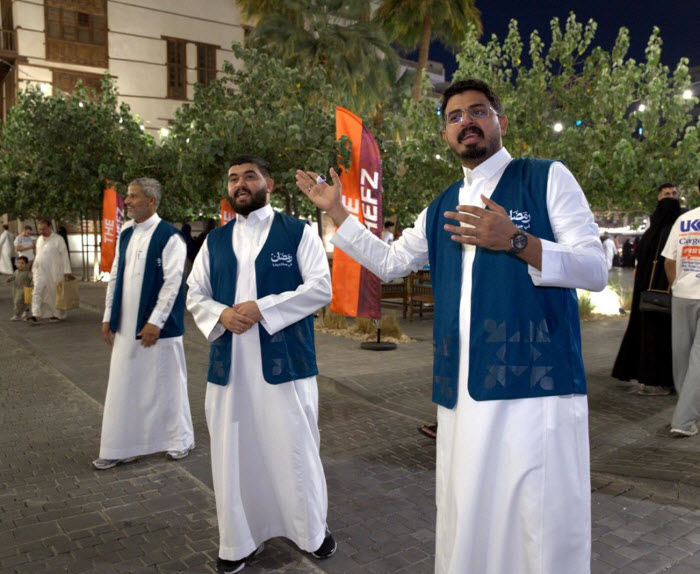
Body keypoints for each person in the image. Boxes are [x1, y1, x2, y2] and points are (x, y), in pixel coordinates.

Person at [296, 78, 607, 574]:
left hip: (536, 386)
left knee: (539, 520)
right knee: (469, 515)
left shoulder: (545, 177)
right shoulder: (442, 204)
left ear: (501, 121)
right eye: (455, 117)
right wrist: (336, 210)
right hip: (462, 390)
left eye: (478, 111)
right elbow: (390, 262)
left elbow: (594, 269)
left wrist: (517, 240)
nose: (467, 122)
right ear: (445, 135)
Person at [187, 156, 335, 574]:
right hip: (230, 369)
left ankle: (311, 532)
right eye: (233, 178)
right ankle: (238, 541)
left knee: (296, 448)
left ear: (268, 184)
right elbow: (194, 292)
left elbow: (320, 288)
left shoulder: (298, 232)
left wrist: (263, 308)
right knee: (234, 454)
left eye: (249, 176)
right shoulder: (214, 241)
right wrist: (220, 313)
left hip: (286, 365)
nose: (240, 184)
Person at [93, 178, 195, 470]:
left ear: (151, 200)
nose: (127, 201)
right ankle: (122, 446)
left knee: (168, 383)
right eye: (127, 196)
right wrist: (108, 315)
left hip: (160, 329)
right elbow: (115, 275)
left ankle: (180, 440)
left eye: (134, 196)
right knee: (124, 385)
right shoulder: (126, 232)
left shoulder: (170, 237)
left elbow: (174, 283)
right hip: (126, 327)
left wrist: (155, 322)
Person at [612, 194, 681, 395]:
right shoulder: (671, 232)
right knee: (662, 339)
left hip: (644, 295)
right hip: (664, 294)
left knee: (644, 335)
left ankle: (645, 379)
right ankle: (659, 381)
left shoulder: (649, 234)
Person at [662, 176, 700, 437]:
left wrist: (676, 285)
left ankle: (686, 409)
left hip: (682, 294)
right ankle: (684, 420)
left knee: (682, 357)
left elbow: (668, 260)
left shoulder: (684, 220)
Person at [27, 220, 72, 325]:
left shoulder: (58, 239)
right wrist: (33, 268)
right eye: (40, 229)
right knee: (36, 291)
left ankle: (57, 314)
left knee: (54, 293)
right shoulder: (39, 239)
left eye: (44, 229)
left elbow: (64, 255)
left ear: (50, 227)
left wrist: (67, 270)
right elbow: (38, 255)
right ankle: (36, 314)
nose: (42, 231)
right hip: (39, 271)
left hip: (54, 271)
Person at [5, 256, 32, 320]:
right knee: (17, 301)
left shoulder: (28, 273)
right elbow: (13, 276)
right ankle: (22, 313)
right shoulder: (16, 271)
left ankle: (17, 315)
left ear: (26, 264)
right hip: (16, 289)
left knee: (19, 302)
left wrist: (32, 284)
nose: (20, 265)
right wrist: (9, 279)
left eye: (22, 263)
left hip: (24, 290)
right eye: (18, 263)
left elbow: (32, 279)